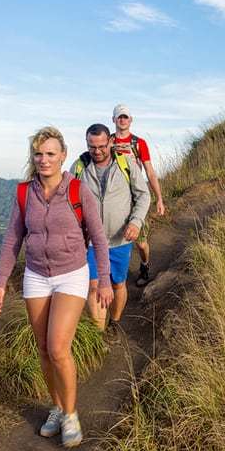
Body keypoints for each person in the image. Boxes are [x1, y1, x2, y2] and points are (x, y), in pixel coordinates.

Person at [0, 126, 114, 449]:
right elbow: (12, 239)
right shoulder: (24, 193)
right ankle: (57, 407)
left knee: (58, 348)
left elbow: (99, 238)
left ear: (63, 156)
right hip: (35, 275)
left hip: (71, 274)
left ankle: (71, 415)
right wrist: (0, 282)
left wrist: (103, 281)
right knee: (44, 350)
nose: (43, 159)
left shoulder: (77, 191)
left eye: (50, 153)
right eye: (38, 153)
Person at [71, 123, 150, 339]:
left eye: (102, 146)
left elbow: (144, 195)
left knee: (117, 284)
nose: (97, 151)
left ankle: (114, 324)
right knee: (94, 287)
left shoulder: (126, 164)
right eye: (92, 146)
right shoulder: (79, 167)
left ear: (111, 142)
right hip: (90, 243)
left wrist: (136, 222)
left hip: (120, 240)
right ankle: (99, 335)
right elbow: (68, 201)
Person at [110, 104, 165, 286]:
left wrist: (159, 199)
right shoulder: (107, 142)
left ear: (131, 120)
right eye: (119, 117)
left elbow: (149, 172)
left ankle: (144, 265)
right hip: (114, 197)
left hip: (135, 196)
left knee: (141, 243)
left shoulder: (139, 143)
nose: (122, 120)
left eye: (125, 117)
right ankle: (112, 275)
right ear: (113, 120)